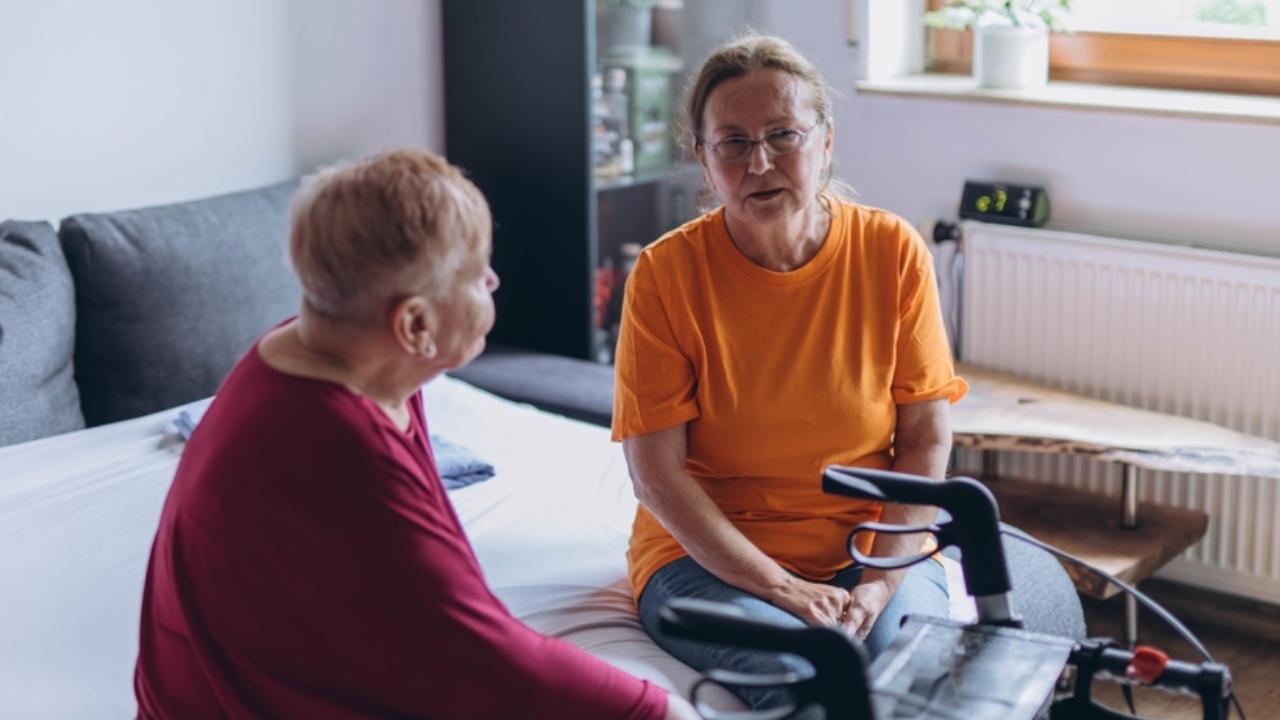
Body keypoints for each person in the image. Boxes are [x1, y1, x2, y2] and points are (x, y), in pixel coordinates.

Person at [134, 148, 699, 720]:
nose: (493, 279)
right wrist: (658, 710)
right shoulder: (339, 448)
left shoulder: (324, 349)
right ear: (415, 324)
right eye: (476, 275)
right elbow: (484, 659)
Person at [611, 35, 968, 710]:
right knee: (811, 688)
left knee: (914, 694)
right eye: (733, 143)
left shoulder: (891, 251)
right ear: (704, 159)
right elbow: (656, 475)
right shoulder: (664, 275)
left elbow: (925, 437)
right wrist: (784, 588)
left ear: (825, 142)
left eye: (783, 135)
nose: (760, 162)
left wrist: (880, 581)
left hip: (871, 549)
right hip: (706, 562)